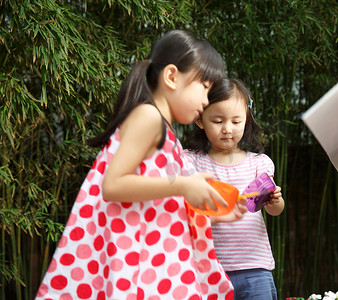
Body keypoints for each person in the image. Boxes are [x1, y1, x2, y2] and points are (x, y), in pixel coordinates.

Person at [35, 30, 236, 300]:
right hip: (140, 258)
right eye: (204, 87)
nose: (205, 100)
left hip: (149, 256)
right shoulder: (148, 117)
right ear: (172, 77)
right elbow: (114, 184)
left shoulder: (163, 130)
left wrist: (212, 209)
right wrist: (183, 184)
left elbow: (155, 196)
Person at [184, 78, 285, 300]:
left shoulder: (259, 163)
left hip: (256, 267)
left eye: (236, 121)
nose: (227, 129)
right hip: (208, 268)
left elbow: (273, 211)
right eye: (218, 121)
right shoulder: (191, 162)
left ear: (246, 120)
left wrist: (276, 201)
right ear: (200, 120)